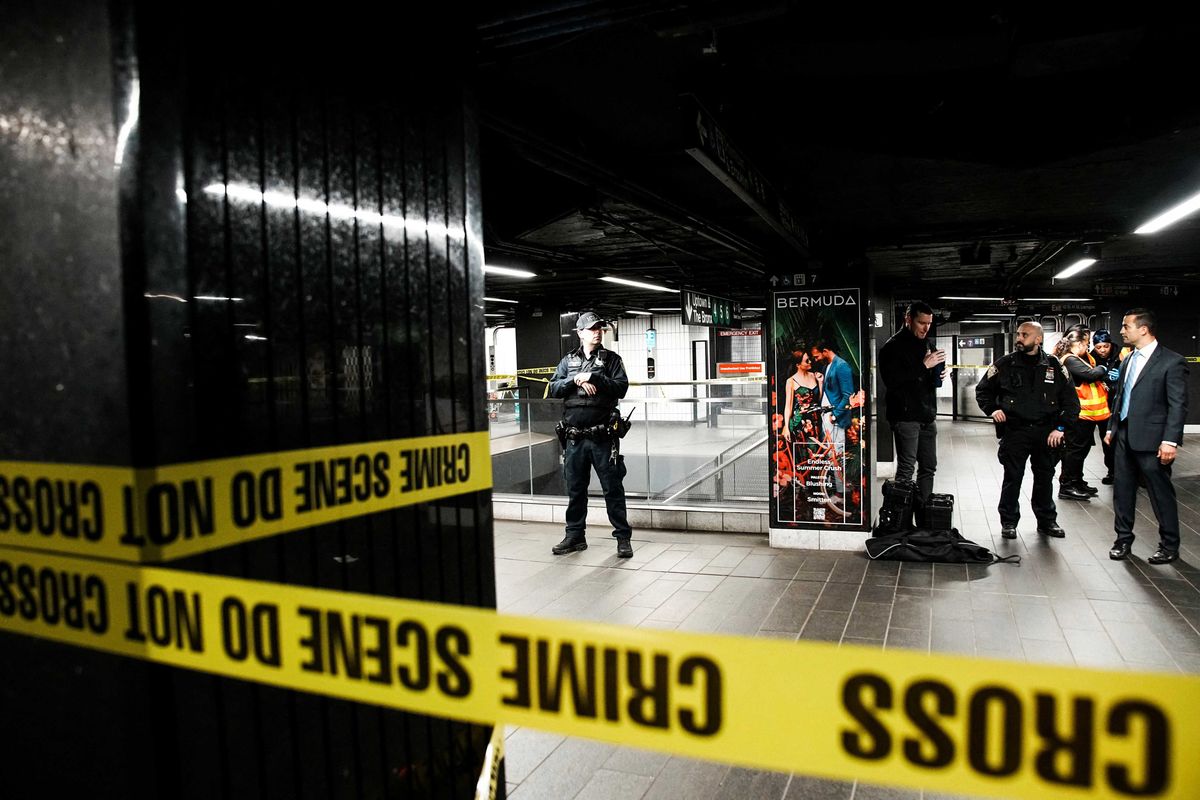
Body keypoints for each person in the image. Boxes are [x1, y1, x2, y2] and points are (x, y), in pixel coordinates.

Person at [975, 321, 1079, 539]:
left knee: (1044, 478)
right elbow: (983, 390)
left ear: (1038, 339)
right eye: (1019, 334)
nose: (1019, 338)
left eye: (1025, 334)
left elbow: (1071, 402)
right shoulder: (1005, 364)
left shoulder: (1054, 366)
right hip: (1015, 431)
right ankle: (1009, 522)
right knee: (1013, 477)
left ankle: (1047, 521)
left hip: (1046, 433)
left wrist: (1061, 428)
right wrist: (992, 409)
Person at [1104, 308, 1188, 564]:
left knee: (1160, 493)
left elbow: (1178, 405)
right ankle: (1123, 539)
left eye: (1125, 326)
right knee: (1123, 490)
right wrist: (1111, 427)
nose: (1121, 331)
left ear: (1143, 329)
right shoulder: (1128, 358)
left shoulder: (1172, 362)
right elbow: (1120, 397)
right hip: (1124, 435)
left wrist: (1170, 441)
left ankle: (1169, 545)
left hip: (1153, 440)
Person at [547, 311, 633, 558]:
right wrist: (576, 379)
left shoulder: (612, 360)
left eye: (600, 329)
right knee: (575, 490)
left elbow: (621, 387)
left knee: (612, 489)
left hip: (603, 438)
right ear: (580, 333)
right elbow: (553, 388)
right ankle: (575, 536)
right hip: (574, 439)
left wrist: (594, 377)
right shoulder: (568, 361)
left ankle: (623, 538)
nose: (597, 332)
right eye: (592, 329)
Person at [877, 301, 945, 506]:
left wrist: (939, 373)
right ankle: (901, 518)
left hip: (926, 415)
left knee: (929, 467)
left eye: (929, 323)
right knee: (906, 469)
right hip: (905, 416)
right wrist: (924, 365)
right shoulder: (892, 347)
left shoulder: (927, 344)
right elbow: (893, 382)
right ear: (908, 319)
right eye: (921, 322)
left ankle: (924, 515)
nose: (925, 328)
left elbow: (927, 379)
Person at [1052, 327, 1110, 501]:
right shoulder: (1069, 360)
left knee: (1080, 450)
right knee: (1074, 450)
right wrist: (1103, 368)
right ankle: (1068, 485)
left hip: (1085, 414)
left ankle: (1077, 481)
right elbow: (1091, 375)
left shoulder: (1078, 358)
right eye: (1086, 343)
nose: (1087, 347)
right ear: (1077, 343)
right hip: (1078, 415)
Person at [1090, 329, 1121, 484]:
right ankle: (1112, 472)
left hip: (1119, 405)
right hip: (1102, 406)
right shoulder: (1091, 359)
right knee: (1106, 440)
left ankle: (1126, 472)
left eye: (1105, 346)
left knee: (1120, 441)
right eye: (1098, 347)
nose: (1102, 350)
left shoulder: (1122, 355)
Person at [810, 340, 854, 452]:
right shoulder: (826, 367)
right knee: (830, 453)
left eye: (817, 356)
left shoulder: (841, 366)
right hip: (827, 417)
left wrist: (835, 416)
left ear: (825, 351)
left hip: (835, 418)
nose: (816, 360)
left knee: (837, 453)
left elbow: (848, 396)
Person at [782, 348, 823, 449]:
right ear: (798, 365)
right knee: (806, 452)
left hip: (816, 419)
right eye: (806, 361)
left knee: (819, 452)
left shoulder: (814, 376)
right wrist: (786, 427)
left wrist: (821, 382)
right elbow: (788, 406)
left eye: (809, 359)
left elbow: (819, 400)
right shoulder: (791, 381)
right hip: (800, 422)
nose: (810, 362)